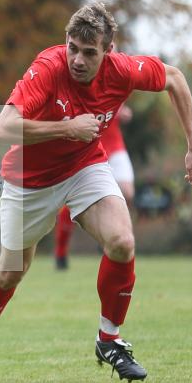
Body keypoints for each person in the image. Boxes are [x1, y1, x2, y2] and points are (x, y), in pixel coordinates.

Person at [0, 3, 192, 383]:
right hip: (30, 180)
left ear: (109, 51)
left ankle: (110, 339)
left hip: (84, 167)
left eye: (89, 52)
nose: (78, 60)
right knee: (11, 272)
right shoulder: (48, 68)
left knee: (122, 241)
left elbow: (175, 79)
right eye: (72, 48)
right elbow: (2, 129)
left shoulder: (122, 71)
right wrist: (66, 128)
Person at [54, 103, 135, 270]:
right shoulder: (74, 83)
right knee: (76, 200)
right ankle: (61, 251)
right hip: (87, 149)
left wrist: (122, 109)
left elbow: (118, 97)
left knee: (127, 191)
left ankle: (111, 234)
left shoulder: (110, 79)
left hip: (114, 145)